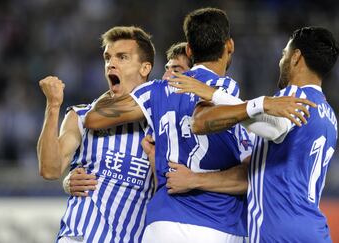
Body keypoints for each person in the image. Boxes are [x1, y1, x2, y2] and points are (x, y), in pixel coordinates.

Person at [83, 8, 311, 243]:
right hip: (218, 224)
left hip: (162, 225)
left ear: (190, 51)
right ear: (229, 46)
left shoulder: (154, 91)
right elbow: (248, 176)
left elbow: (93, 118)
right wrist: (259, 105)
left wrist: (114, 77)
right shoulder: (226, 91)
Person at [167, 26, 338, 242]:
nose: (281, 61)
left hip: (281, 232)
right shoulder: (329, 115)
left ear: (296, 57)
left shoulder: (294, 95)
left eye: (284, 54)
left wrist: (213, 94)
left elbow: (274, 128)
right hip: (315, 231)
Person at [37, 26, 156, 243]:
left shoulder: (160, 124)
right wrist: (53, 106)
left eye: (122, 57)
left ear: (145, 68)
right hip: (80, 237)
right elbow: (50, 169)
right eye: (107, 57)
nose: (111, 63)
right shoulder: (80, 115)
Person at [64, 41, 193, 197]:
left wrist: (197, 180)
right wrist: (69, 181)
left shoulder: (213, 114)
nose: (166, 77)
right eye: (167, 69)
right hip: (160, 216)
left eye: (176, 70)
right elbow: (92, 119)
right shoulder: (155, 112)